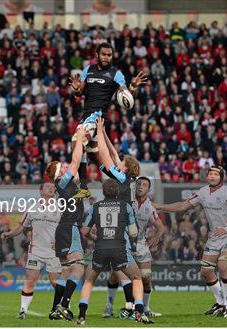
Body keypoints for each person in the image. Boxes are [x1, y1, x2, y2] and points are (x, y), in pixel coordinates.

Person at [154, 166, 227, 318]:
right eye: (210, 174)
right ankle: (219, 302)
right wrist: (161, 207)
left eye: (216, 174)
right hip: (215, 236)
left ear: (221, 177)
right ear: (207, 176)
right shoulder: (203, 192)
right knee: (206, 272)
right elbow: (183, 205)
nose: (213, 176)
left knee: (223, 265)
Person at [69, 42, 147, 197]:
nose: (106, 57)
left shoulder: (115, 74)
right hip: (87, 116)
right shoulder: (88, 70)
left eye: (109, 55)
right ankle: (125, 183)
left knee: (77, 141)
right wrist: (77, 89)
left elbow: (124, 94)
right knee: (97, 158)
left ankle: (83, 187)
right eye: (103, 54)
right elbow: (79, 94)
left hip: (96, 116)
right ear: (97, 55)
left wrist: (132, 87)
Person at [77, 179, 152, 325]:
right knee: (136, 278)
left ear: (103, 192)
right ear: (117, 192)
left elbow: (84, 230)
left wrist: (95, 236)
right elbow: (133, 232)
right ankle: (139, 312)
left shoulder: (96, 206)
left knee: (88, 281)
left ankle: (81, 316)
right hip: (119, 248)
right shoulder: (126, 206)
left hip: (100, 248)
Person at [95, 116, 142, 319]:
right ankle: (130, 305)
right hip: (125, 225)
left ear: (125, 168)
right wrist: (103, 132)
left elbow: (106, 156)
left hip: (119, 227)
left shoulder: (122, 177)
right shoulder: (127, 179)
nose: (118, 162)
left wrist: (98, 134)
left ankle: (131, 306)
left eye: (122, 163)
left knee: (122, 269)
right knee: (120, 268)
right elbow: (113, 153)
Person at [44, 127, 87, 321]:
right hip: (70, 228)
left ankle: (55, 308)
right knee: (79, 268)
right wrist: (78, 141)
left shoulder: (64, 186)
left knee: (67, 271)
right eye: (62, 167)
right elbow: (76, 162)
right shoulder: (62, 183)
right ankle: (63, 305)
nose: (66, 167)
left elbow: (81, 167)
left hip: (63, 229)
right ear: (57, 174)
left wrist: (82, 147)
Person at [1, 182, 61, 319]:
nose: (51, 188)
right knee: (30, 281)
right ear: (41, 191)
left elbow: (67, 229)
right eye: (47, 187)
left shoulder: (60, 208)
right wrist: (9, 234)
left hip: (54, 252)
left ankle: (63, 307)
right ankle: (23, 310)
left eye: (53, 187)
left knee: (55, 282)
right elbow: (21, 227)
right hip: (36, 251)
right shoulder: (32, 208)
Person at [131, 176, 166, 317]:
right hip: (124, 243)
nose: (140, 186)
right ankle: (111, 308)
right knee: (118, 277)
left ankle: (145, 308)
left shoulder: (150, 208)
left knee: (146, 277)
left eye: (144, 185)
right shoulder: (128, 201)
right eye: (139, 184)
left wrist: (156, 237)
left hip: (140, 243)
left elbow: (161, 227)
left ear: (148, 189)